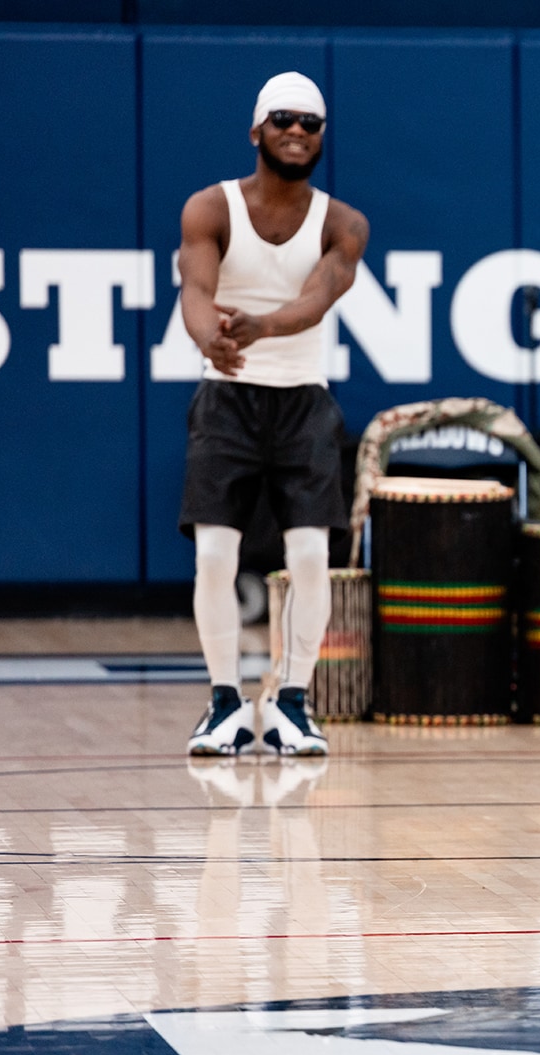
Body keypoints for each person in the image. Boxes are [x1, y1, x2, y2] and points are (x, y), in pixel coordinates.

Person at [178, 72, 369, 757]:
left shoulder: (343, 223)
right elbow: (196, 290)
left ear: (322, 137)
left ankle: (291, 701)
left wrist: (263, 327)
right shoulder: (211, 207)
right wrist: (211, 338)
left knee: (312, 554)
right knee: (214, 554)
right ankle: (224, 704)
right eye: (284, 119)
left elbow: (315, 302)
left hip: (303, 398)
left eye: (310, 123)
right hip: (226, 399)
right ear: (256, 130)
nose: (297, 131)